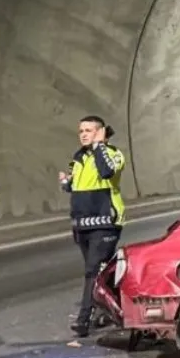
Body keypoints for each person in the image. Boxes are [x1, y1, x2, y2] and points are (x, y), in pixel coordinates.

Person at [58, 115, 127, 338]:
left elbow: (107, 172)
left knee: (92, 271)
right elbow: (79, 187)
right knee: (100, 271)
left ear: (100, 132)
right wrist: (66, 183)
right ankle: (116, 308)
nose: (84, 134)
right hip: (82, 224)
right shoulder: (78, 159)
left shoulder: (113, 154)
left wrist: (100, 145)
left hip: (105, 222)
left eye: (89, 130)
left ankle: (83, 319)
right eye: (81, 131)